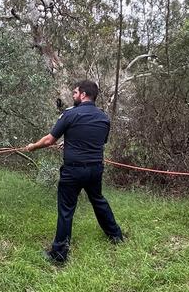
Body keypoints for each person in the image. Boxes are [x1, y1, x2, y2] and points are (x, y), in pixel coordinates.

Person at [26, 80, 124, 264]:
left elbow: (49, 140)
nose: (73, 96)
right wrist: (70, 142)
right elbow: (98, 141)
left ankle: (59, 254)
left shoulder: (70, 114)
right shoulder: (104, 117)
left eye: (75, 93)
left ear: (83, 94)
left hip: (73, 171)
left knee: (66, 209)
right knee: (98, 200)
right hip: (95, 169)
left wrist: (33, 147)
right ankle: (116, 236)